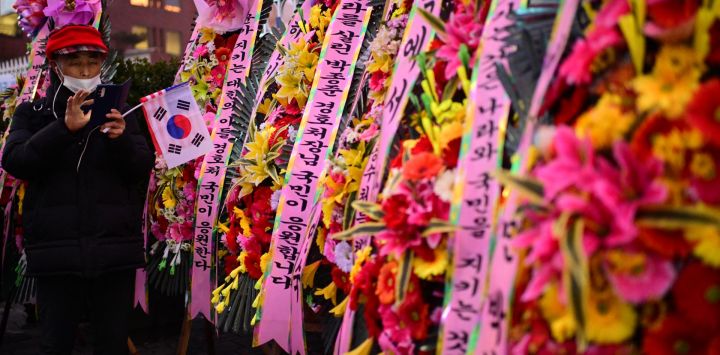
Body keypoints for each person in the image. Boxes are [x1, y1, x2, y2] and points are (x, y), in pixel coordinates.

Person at [2, 24, 154, 355]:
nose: (85, 71)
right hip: (57, 253)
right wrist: (62, 130)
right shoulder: (33, 113)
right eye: (75, 62)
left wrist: (121, 139)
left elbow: (141, 166)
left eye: (93, 61)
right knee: (55, 344)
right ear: (55, 64)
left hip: (114, 250)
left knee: (112, 343)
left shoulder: (119, 111)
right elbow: (14, 160)